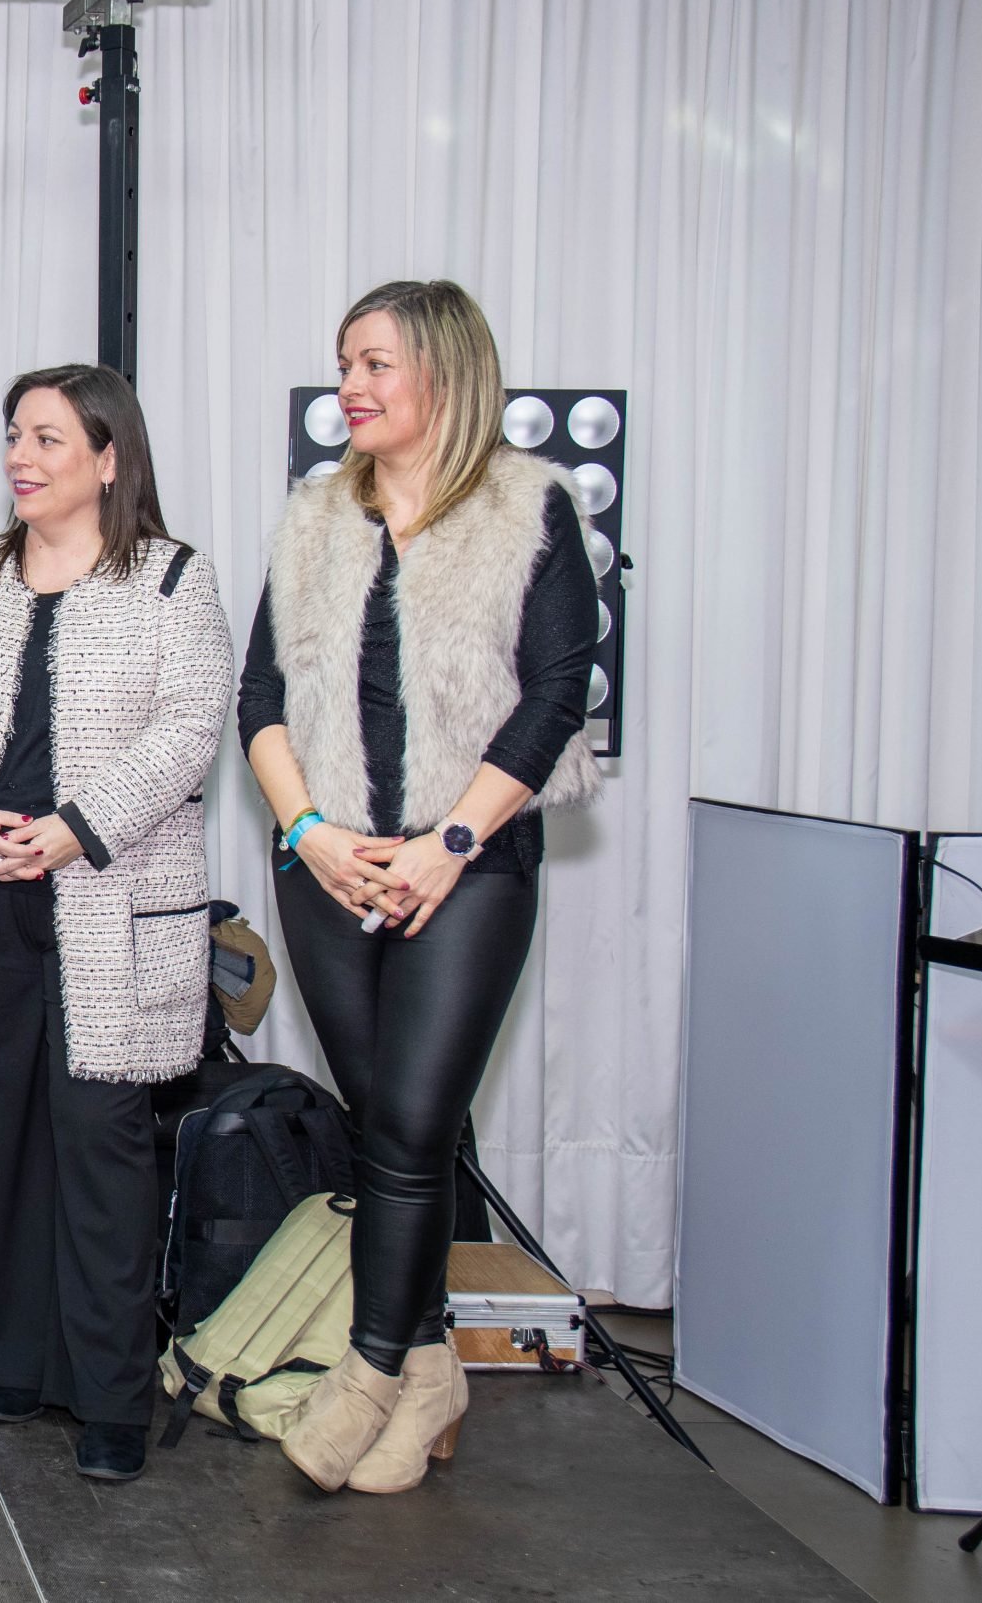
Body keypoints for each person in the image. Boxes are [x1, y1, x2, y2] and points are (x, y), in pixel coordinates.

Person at [241, 279, 600, 1493]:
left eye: (374, 363)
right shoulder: (313, 518)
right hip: (329, 869)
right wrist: (309, 833)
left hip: (469, 867)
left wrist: (447, 842)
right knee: (381, 1129)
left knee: (408, 1132)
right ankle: (429, 1367)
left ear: (444, 372)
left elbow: (556, 695)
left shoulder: (528, 510)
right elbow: (261, 700)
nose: (350, 386)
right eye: (344, 362)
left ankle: (369, 1367)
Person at [0, 363, 233, 1485]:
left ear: (108, 457)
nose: (20, 458)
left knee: (100, 1153)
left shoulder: (173, 579)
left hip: (108, 902)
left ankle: (109, 1396)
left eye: (46, 438)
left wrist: (79, 828)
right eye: (13, 436)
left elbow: (190, 728)